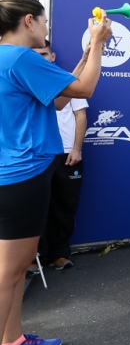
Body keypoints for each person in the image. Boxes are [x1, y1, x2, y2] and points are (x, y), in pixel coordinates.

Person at [0, 0, 112, 345]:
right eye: (44, 20)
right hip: (22, 176)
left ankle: (13, 340)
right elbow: (86, 89)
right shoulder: (20, 57)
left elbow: (61, 97)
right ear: (28, 21)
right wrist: (97, 43)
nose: (47, 28)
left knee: (15, 271)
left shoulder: (9, 58)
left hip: (12, 174)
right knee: (9, 273)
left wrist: (83, 56)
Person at [32, 41, 88, 271]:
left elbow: (80, 116)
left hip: (66, 153)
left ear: (53, 56)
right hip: (37, 154)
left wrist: (76, 148)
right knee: (35, 207)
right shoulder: (27, 79)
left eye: (45, 54)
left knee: (64, 206)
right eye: (36, 54)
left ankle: (60, 254)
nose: (42, 58)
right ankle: (33, 257)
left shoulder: (68, 79)